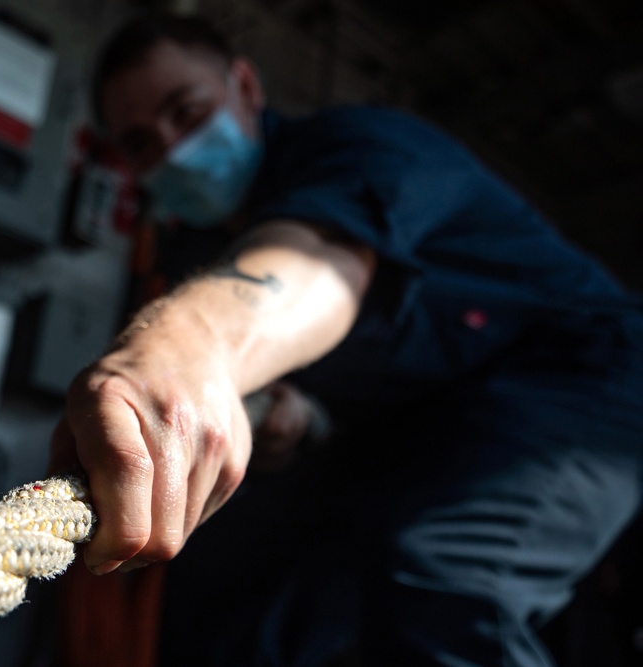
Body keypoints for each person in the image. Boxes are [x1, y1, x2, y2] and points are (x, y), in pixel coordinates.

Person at [47, 13, 643, 666]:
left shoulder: (361, 147)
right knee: (256, 625)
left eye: (186, 113)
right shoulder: (195, 244)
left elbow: (314, 262)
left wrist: (187, 347)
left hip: (587, 378)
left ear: (244, 85)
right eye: (141, 143)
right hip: (420, 436)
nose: (172, 148)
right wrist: (299, 415)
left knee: (448, 578)